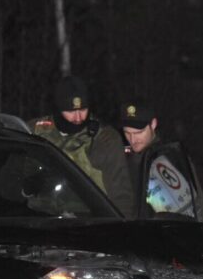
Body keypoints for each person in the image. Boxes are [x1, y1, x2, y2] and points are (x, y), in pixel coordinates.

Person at [29, 76, 135, 218]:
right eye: (71, 111)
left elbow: (122, 197)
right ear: (58, 109)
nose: (78, 117)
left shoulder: (105, 139)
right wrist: (28, 187)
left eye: (83, 109)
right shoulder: (34, 132)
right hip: (37, 220)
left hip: (87, 224)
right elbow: (5, 188)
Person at [120, 100, 203, 222]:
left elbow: (195, 208)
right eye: (127, 133)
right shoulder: (129, 156)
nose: (132, 139)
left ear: (153, 124)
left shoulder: (167, 157)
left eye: (139, 132)